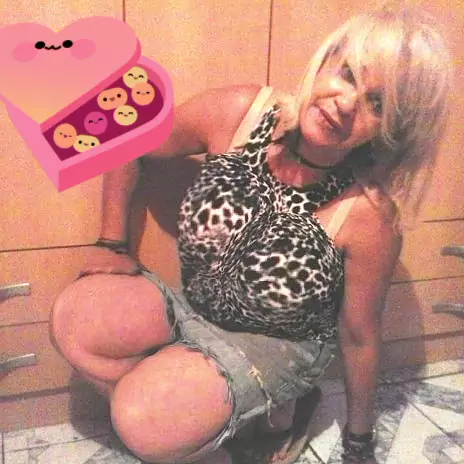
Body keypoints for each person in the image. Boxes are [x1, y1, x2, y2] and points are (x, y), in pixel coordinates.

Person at [50, 4, 452, 464]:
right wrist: (112, 242)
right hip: (193, 305)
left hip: (275, 348)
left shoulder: (369, 215)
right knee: (74, 320)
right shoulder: (241, 112)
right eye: (348, 74)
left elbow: (359, 334)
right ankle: (211, 402)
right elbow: (130, 136)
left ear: (390, 131)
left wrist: (359, 442)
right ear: (327, 59)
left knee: (142, 423)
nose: (346, 102)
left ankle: (278, 410)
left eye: (376, 104)